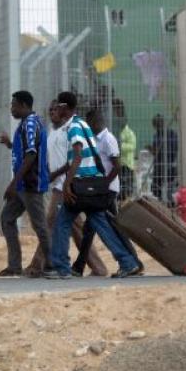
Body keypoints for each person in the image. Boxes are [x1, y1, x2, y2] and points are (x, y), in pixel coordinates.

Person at [44, 92, 143, 280]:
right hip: (92, 184)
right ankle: (127, 262)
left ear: (65, 107)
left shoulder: (73, 127)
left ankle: (62, 267)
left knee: (62, 223)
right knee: (101, 224)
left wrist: (67, 184)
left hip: (80, 184)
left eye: (58, 107)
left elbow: (78, 155)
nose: (56, 110)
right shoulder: (82, 124)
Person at [28, 100, 108, 277]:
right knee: (74, 226)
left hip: (68, 183)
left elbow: (71, 159)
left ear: (63, 111)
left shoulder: (68, 131)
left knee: (50, 222)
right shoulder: (52, 131)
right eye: (50, 109)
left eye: (55, 109)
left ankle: (39, 264)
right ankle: (98, 267)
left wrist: (57, 176)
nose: (52, 112)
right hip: (59, 183)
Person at [72, 109, 141, 276]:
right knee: (91, 228)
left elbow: (116, 166)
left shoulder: (108, 139)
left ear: (96, 121)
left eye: (89, 123)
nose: (87, 127)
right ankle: (79, 265)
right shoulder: (96, 139)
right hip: (101, 190)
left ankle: (132, 263)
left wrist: (103, 184)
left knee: (113, 228)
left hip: (108, 191)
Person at [0, 90, 51, 277]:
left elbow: (31, 155)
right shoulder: (26, 124)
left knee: (40, 225)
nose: (12, 109)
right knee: (7, 218)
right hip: (23, 185)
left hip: (30, 184)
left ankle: (54, 265)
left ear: (25, 106)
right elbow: (26, 149)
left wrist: (13, 183)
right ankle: (14, 265)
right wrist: (11, 144)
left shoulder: (30, 125)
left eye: (14, 105)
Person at [150, 114, 179, 204]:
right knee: (155, 189)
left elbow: (172, 151)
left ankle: (170, 205)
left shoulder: (171, 134)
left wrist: (159, 150)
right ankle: (161, 204)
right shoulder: (157, 135)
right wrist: (153, 150)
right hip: (159, 165)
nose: (157, 127)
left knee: (169, 191)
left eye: (158, 124)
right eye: (156, 125)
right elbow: (156, 152)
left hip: (168, 165)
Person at [114, 99, 136, 199]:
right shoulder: (115, 130)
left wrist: (120, 146)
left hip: (126, 164)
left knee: (126, 187)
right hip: (117, 163)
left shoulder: (128, 132)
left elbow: (132, 146)